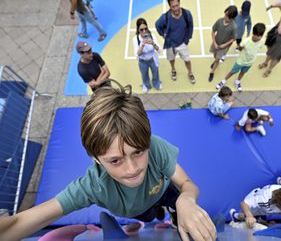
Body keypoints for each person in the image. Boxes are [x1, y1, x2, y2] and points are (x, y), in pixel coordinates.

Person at [0, 81, 217, 241]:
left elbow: (187, 184)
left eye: (139, 152)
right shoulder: (92, 187)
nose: (133, 169)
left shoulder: (156, 146)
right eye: (115, 160)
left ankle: (170, 211)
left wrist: (186, 199)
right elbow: (17, 224)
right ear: (95, 158)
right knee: (152, 215)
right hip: (138, 209)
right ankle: (160, 214)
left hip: (165, 191)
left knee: (174, 203)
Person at [215, 23, 266, 92]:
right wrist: (240, 48)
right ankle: (223, 81)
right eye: (257, 35)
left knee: (243, 72)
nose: (258, 38)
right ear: (253, 33)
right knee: (232, 72)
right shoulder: (246, 41)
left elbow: (258, 48)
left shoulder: (262, 41)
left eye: (260, 36)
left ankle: (237, 82)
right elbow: (240, 48)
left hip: (250, 62)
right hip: (241, 61)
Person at [155, 0, 196, 84]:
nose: (176, 8)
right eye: (173, 6)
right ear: (170, 7)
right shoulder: (165, 17)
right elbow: (157, 25)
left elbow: (191, 27)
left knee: (187, 60)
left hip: (182, 43)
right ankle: (173, 69)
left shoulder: (187, 14)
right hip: (170, 44)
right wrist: (163, 34)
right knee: (171, 59)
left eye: (177, 5)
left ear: (179, 3)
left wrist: (187, 39)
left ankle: (190, 72)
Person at [208, 5, 238, 82]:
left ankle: (212, 72)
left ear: (232, 18)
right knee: (215, 56)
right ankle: (215, 62)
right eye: (225, 14)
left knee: (218, 59)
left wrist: (224, 45)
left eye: (227, 16)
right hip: (216, 43)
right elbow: (213, 31)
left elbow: (233, 38)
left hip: (223, 47)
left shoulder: (233, 27)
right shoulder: (219, 21)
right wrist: (214, 42)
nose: (225, 17)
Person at [133, 18, 162, 92]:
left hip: (153, 59)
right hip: (143, 61)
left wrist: (153, 43)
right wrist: (142, 45)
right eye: (141, 29)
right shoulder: (136, 39)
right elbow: (138, 54)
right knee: (144, 75)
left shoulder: (152, 36)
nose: (144, 31)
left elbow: (159, 50)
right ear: (138, 30)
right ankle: (146, 85)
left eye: (145, 28)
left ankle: (156, 83)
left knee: (155, 73)